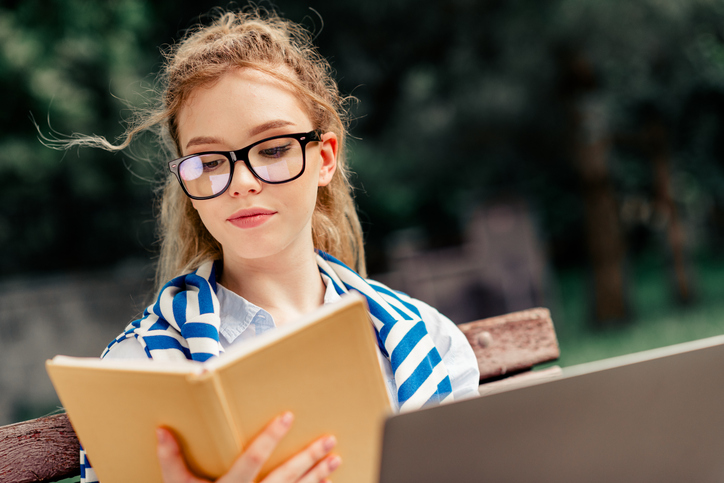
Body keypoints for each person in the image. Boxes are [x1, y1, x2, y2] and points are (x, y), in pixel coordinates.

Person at [64, 7, 480, 483]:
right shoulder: (137, 374)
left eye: (274, 148)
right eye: (210, 161)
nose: (241, 182)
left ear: (324, 158)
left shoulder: (431, 342)